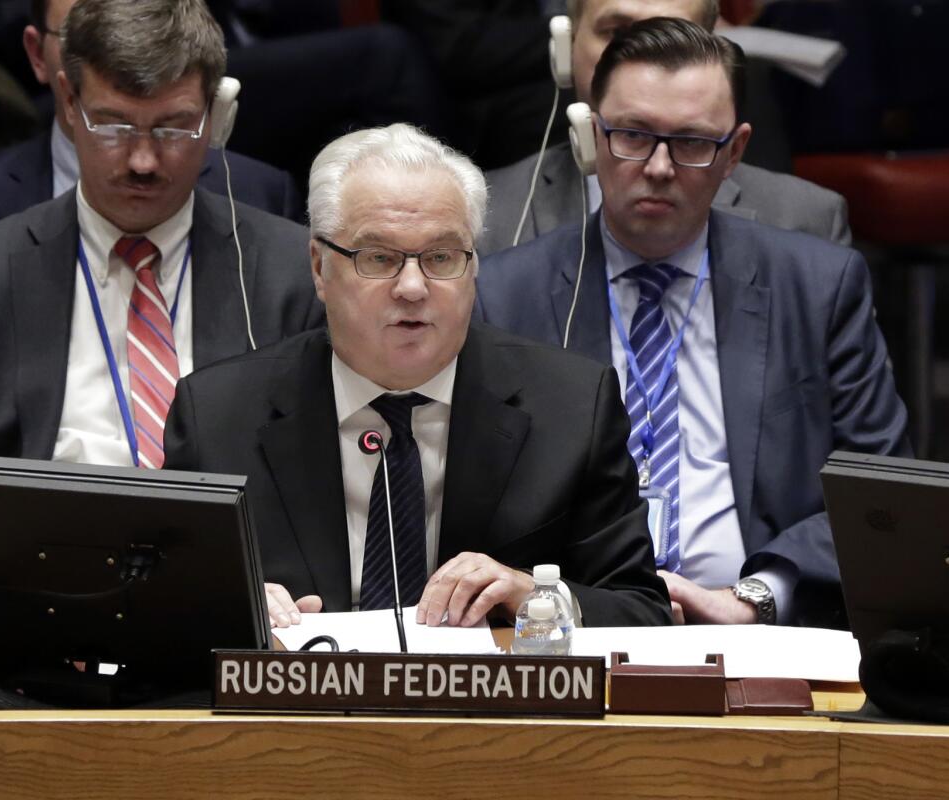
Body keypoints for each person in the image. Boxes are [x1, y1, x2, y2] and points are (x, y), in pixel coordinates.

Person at [477, 18, 910, 627]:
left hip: (760, 628)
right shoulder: (503, 293)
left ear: (734, 152)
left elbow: (882, 494)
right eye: (632, 134)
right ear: (591, 137)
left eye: (690, 143)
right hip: (572, 628)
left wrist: (756, 598)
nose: (657, 167)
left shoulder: (817, 287)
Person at [0, 0, 322, 573]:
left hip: (232, 584)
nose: (144, 160)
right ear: (69, 103)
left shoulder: (293, 275)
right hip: (31, 578)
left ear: (216, 115)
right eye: (114, 124)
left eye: (176, 127)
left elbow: (323, 496)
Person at [161, 123, 672, 630]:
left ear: (473, 267)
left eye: (441, 257)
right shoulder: (217, 417)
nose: (412, 287)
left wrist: (534, 596)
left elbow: (640, 610)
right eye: (379, 258)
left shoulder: (572, 407)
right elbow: (162, 608)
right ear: (319, 268)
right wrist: (227, 605)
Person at [477, 0, 849, 255]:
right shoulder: (481, 215)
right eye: (617, 33)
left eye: (672, 38)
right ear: (566, 50)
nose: (641, 64)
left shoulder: (804, 222)